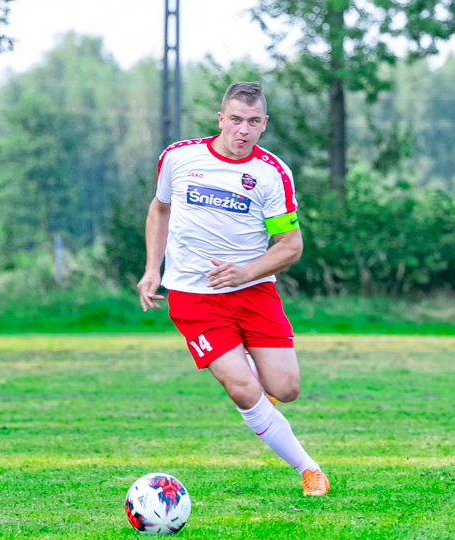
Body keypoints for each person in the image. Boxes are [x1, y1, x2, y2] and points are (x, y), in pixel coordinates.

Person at [136, 81, 329, 497]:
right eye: (236, 120)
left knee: (286, 389)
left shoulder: (271, 174)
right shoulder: (179, 157)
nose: (243, 130)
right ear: (220, 119)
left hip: (253, 292)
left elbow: (290, 246)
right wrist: (153, 268)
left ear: (264, 125)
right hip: (193, 295)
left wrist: (245, 272)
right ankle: (309, 469)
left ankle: (257, 383)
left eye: (253, 122)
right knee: (243, 389)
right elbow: (160, 209)